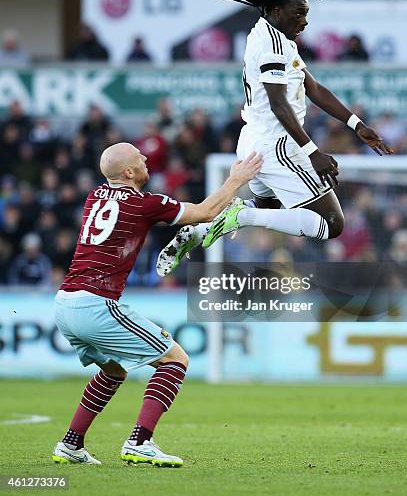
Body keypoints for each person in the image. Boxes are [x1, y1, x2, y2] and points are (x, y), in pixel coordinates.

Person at [156, 0, 392, 277]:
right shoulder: (273, 46)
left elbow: (314, 88)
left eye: (306, 14)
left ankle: (200, 232)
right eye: (299, 14)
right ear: (277, 10)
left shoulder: (274, 36)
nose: (305, 21)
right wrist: (313, 152)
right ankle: (238, 216)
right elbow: (280, 104)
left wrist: (357, 125)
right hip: (279, 145)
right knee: (332, 224)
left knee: (266, 211)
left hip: (254, 141)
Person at [52, 142, 261, 466]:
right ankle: (140, 441)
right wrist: (236, 180)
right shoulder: (143, 204)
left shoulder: (95, 196)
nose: (146, 159)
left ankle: (71, 444)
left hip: (65, 303)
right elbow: (204, 211)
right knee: (175, 359)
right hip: (95, 304)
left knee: (113, 371)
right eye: (140, 158)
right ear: (130, 172)